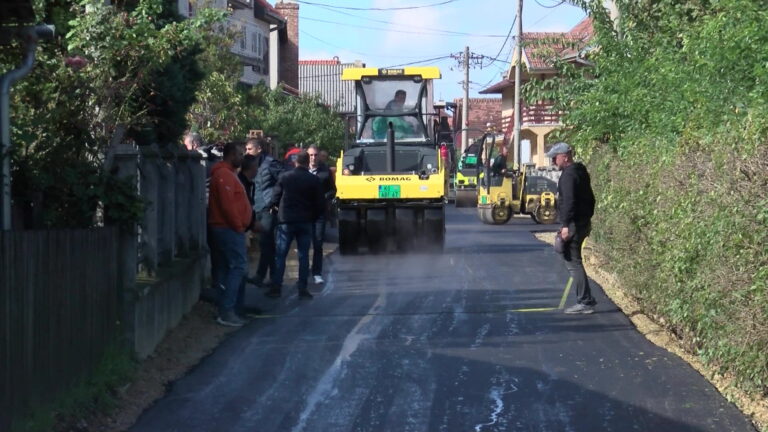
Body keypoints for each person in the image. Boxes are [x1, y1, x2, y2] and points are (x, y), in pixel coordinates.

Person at [265, 151, 325, 299]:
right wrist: (314, 217)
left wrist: (273, 209)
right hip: (305, 221)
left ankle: (276, 288)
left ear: (295, 162)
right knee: (303, 256)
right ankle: (302, 289)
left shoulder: (285, 177)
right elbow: (320, 203)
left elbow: (275, 198)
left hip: (286, 220)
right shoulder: (313, 179)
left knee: (281, 255)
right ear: (307, 162)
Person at [546, 142, 597, 314]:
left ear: (565, 156)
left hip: (574, 224)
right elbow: (591, 199)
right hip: (582, 222)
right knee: (573, 260)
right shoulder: (581, 172)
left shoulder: (568, 176)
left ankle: (585, 301)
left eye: (555, 158)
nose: (553, 161)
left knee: (572, 261)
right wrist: (587, 219)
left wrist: (566, 225)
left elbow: (568, 202)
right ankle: (586, 298)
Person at [208, 142, 253, 326]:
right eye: (239, 154)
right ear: (231, 155)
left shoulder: (228, 174)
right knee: (238, 267)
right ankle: (227, 310)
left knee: (227, 268)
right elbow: (228, 206)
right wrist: (238, 226)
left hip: (228, 228)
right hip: (228, 228)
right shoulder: (224, 175)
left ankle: (229, 308)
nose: (242, 158)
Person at [248, 139, 285, 288]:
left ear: (259, 149)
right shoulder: (251, 164)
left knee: (266, 242)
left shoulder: (270, 163)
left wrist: (274, 201)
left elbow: (282, 180)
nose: (247, 152)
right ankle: (271, 276)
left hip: (267, 208)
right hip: (257, 207)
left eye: (250, 149)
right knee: (266, 244)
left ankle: (264, 276)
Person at [307, 145, 336, 284]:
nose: (313, 158)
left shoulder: (325, 171)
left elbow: (332, 190)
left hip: (319, 212)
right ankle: (303, 271)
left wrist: (325, 198)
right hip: (304, 213)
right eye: (310, 155)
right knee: (304, 244)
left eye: (315, 155)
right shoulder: (301, 170)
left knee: (318, 243)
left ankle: (317, 273)